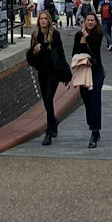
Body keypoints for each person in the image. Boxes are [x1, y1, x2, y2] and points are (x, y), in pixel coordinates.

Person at [26, 9, 67, 145]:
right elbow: (31, 58)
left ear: (49, 20)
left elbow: (59, 55)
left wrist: (66, 74)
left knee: (49, 99)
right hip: (42, 71)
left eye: (45, 18)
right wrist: (34, 52)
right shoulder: (35, 35)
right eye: (41, 18)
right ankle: (53, 121)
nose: (43, 20)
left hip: (53, 72)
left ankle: (48, 132)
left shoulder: (55, 35)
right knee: (46, 101)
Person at [72, 11, 105, 147]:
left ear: (96, 23)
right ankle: (93, 124)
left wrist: (85, 33)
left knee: (95, 100)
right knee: (86, 100)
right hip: (83, 72)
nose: (90, 22)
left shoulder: (98, 34)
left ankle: (94, 131)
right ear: (84, 22)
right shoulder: (78, 36)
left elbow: (94, 46)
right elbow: (74, 53)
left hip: (96, 72)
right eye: (88, 20)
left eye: (93, 20)